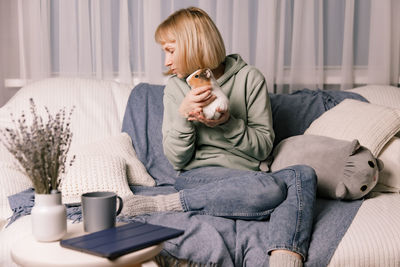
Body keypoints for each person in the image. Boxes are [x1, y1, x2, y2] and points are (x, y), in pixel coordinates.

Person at [122, 7, 317, 267]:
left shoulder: (249, 79)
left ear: (192, 45)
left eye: (170, 50)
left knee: (303, 175)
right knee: (272, 187)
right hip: (198, 177)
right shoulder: (176, 88)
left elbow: (262, 148)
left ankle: (284, 260)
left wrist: (227, 123)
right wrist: (183, 116)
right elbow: (177, 160)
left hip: (249, 176)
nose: (166, 62)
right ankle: (163, 204)